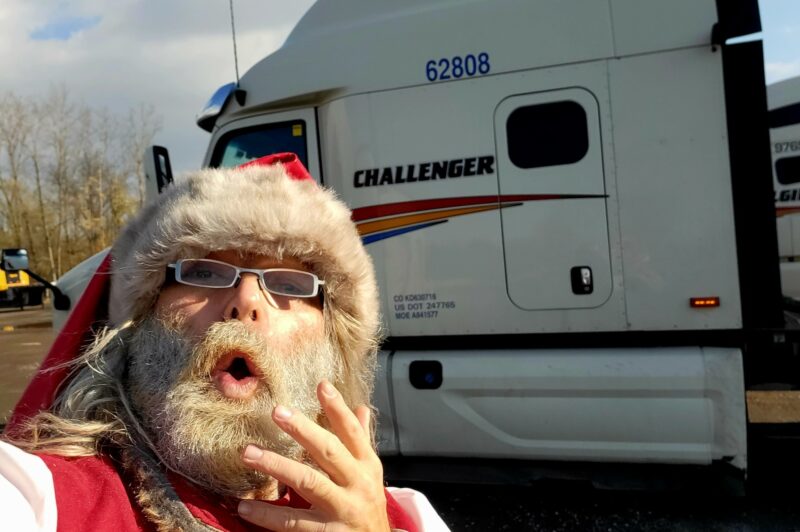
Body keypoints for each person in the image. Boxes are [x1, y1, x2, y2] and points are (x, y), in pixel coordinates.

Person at [0, 153, 448, 531]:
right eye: (202, 273)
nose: (246, 300)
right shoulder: (42, 501)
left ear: (334, 342)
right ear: (141, 324)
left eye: (290, 284)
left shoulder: (404, 519)